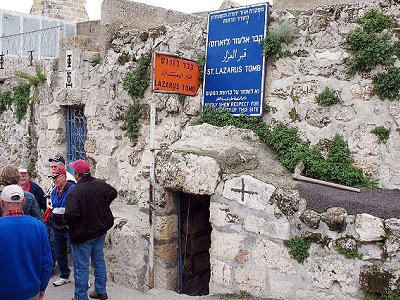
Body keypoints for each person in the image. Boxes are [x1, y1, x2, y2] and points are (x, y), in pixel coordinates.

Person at [65, 160, 117, 300]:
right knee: (99, 261)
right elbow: (113, 193)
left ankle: (80, 297)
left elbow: (70, 214)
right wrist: (102, 206)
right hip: (99, 230)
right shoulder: (100, 184)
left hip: (83, 234)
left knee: (81, 267)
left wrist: (70, 224)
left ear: (77, 174)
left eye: (73, 171)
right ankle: (101, 291)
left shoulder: (75, 191)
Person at [0, 184, 52, 300]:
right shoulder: (38, 226)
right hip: (31, 291)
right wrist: (42, 287)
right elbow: (47, 263)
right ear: (23, 202)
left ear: (1, 203)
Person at [49, 166, 75, 287]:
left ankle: (81, 278)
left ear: (63, 177)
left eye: (56, 177)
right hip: (57, 226)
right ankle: (64, 276)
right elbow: (55, 208)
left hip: (69, 226)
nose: (54, 180)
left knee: (76, 253)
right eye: (52, 178)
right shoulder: (54, 191)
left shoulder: (72, 189)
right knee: (59, 252)